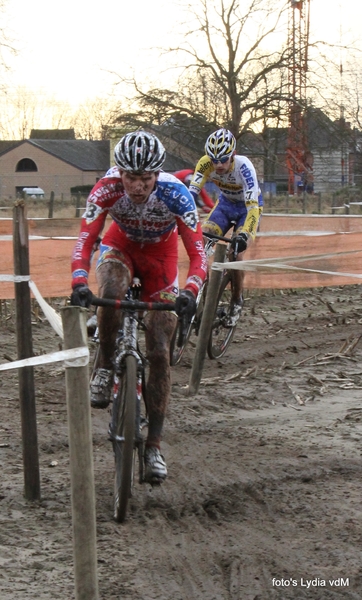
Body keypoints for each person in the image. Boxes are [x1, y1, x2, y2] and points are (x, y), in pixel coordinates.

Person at [70, 130, 207, 484]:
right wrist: (79, 281)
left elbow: (197, 253)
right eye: (130, 177)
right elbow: (86, 238)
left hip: (160, 260)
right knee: (112, 287)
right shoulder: (106, 187)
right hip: (121, 247)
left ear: (157, 174)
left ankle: (154, 447)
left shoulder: (176, 195)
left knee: (160, 351)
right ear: (121, 172)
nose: (136, 186)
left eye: (145, 178)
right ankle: (103, 367)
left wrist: (191, 291)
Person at [188, 128, 263, 326]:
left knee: (235, 254)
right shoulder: (205, 164)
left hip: (248, 209)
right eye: (214, 160)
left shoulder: (244, 168)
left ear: (233, 155)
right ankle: (200, 292)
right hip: (225, 205)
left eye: (224, 159)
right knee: (202, 240)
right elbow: (190, 196)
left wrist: (244, 235)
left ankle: (237, 300)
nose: (219, 165)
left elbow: (253, 208)